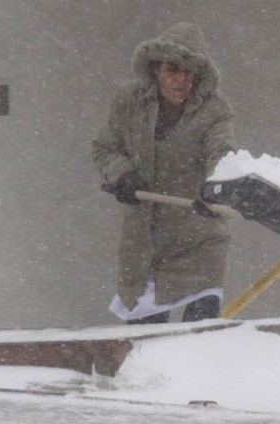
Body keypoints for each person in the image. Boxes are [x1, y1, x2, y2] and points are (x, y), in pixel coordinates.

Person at [92, 22, 236, 324]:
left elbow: (221, 152)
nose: (181, 79)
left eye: (189, 71)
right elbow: (105, 148)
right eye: (173, 68)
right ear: (156, 68)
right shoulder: (129, 101)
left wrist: (218, 187)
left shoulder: (216, 111)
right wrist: (122, 174)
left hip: (199, 239)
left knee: (199, 341)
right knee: (144, 346)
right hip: (143, 244)